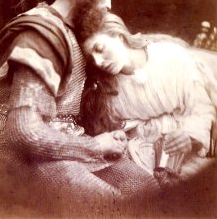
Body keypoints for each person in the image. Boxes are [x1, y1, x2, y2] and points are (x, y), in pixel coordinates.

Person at [0, 0, 159, 217]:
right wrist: (95, 146)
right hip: (17, 152)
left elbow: (137, 50)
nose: (110, 4)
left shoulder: (74, 26)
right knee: (109, 207)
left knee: (144, 187)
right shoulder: (40, 34)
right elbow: (24, 132)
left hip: (59, 141)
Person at [77, 11, 216, 182]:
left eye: (100, 49)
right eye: (92, 59)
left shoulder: (171, 57)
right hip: (141, 159)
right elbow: (112, 133)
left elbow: (203, 109)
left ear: (118, 36)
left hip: (188, 151)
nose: (99, 62)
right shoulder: (106, 92)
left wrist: (190, 136)